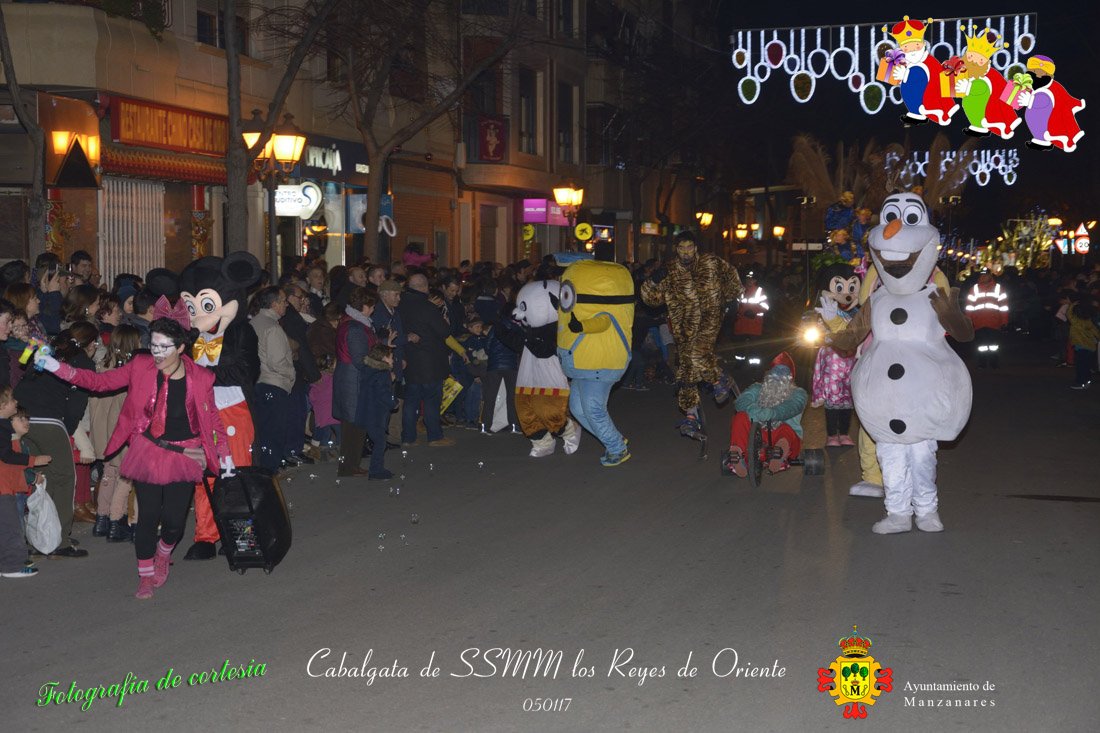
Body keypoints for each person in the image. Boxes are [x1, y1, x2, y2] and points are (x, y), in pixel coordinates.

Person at [37, 306, 235, 599]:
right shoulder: (140, 367)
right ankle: (145, 575)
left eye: (164, 346)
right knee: (148, 516)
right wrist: (57, 367)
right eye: (153, 344)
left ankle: (163, 553)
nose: (157, 352)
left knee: (174, 523)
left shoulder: (201, 377)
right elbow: (99, 382)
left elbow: (212, 417)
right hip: (149, 450)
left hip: (186, 454)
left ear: (181, 348)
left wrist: (224, 452)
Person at [640, 230, 743, 438]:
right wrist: (652, 281)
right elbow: (651, 300)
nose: (686, 252)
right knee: (685, 369)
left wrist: (733, 298)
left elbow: (731, 275)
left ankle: (718, 380)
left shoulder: (711, 262)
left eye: (689, 247)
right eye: (681, 248)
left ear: (695, 248)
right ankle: (691, 415)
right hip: (683, 326)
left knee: (698, 353)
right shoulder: (670, 270)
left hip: (709, 318)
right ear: (676, 250)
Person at [16, 322, 96, 554]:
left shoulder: (48, 350)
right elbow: (76, 405)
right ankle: (60, 542)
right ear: (90, 343)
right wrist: (66, 429)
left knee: (42, 478)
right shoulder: (83, 361)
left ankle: (40, 538)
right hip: (49, 420)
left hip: (22, 418)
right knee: (63, 479)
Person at [88, 324, 141, 542]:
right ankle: (116, 521)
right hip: (120, 430)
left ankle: (102, 518)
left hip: (103, 430)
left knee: (109, 473)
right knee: (127, 477)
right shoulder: (128, 371)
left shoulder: (102, 365)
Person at [723, 354, 808, 477]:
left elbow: (792, 407)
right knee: (740, 417)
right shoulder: (757, 388)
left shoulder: (799, 393)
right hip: (758, 435)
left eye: (783, 372)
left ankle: (779, 453)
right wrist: (752, 409)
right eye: (776, 371)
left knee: (786, 429)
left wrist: (772, 413)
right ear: (769, 374)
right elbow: (742, 400)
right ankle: (737, 453)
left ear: (790, 377)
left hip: (783, 436)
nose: (779, 376)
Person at [398, 274, 455, 447]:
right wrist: (445, 322)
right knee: (432, 399)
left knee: (411, 400)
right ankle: (435, 436)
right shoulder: (427, 307)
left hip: (410, 358)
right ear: (424, 287)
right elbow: (444, 331)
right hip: (430, 360)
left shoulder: (400, 304)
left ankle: (408, 437)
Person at [333, 287, 381, 477]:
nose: (373, 310)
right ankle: (347, 467)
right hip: (353, 382)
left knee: (356, 425)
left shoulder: (354, 323)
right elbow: (361, 359)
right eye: (372, 306)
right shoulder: (355, 328)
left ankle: (351, 465)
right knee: (352, 426)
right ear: (364, 306)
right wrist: (382, 367)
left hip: (353, 379)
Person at [250, 287, 295, 471]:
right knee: (274, 434)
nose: (286, 304)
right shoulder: (272, 327)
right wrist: (291, 373)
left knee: (262, 432)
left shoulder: (253, 323)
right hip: (274, 385)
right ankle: (269, 474)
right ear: (274, 304)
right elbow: (277, 362)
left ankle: (262, 471)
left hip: (258, 384)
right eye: (283, 300)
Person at [0, 407, 45, 578]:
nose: (26, 422)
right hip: (10, 490)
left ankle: (9, 561)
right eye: (21, 419)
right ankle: (14, 564)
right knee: (14, 527)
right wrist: (33, 477)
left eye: (27, 419)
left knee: (10, 527)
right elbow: (14, 466)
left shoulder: (19, 442)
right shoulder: (10, 443)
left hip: (13, 489)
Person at [358, 344, 398, 479]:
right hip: (376, 414)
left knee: (378, 440)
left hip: (367, 411)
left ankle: (377, 469)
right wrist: (394, 402)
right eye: (391, 357)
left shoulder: (369, 370)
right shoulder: (383, 374)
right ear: (384, 358)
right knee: (380, 442)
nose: (393, 360)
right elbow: (385, 394)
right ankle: (375, 471)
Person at [964, 268, 1009, 368]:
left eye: (986, 274)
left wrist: (1004, 321)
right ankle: (983, 363)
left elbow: (1003, 306)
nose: (984, 276)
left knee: (993, 346)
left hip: (993, 322)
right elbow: (969, 306)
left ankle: (993, 363)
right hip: (980, 322)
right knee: (981, 346)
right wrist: (968, 320)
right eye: (982, 275)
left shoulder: (998, 288)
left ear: (990, 275)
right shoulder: (974, 289)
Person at [1066, 294, 1099, 390]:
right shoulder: (1089, 322)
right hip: (1090, 347)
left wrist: (1072, 304)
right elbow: (1096, 333)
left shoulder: (1075, 322)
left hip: (1081, 347)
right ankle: (1087, 381)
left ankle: (1081, 383)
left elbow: (1068, 314)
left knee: (1081, 366)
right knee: (1087, 366)